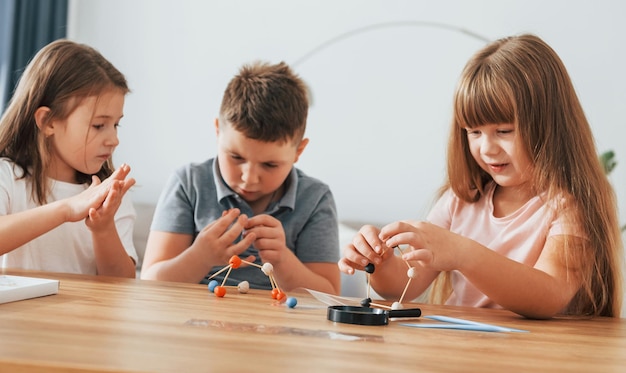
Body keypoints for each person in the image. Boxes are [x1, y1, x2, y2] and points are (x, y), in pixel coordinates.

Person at [338, 34, 624, 318]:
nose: (487, 148)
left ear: (549, 126)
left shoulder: (568, 207)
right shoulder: (459, 201)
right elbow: (404, 286)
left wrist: (463, 253)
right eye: (474, 132)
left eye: (504, 131)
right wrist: (379, 261)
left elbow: (550, 295)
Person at [141, 61, 340, 294]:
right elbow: (150, 282)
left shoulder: (315, 199)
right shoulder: (189, 184)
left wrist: (282, 259)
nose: (249, 178)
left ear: (298, 151)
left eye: (270, 164)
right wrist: (200, 257)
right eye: (236, 157)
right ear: (217, 131)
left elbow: (329, 294)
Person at [0, 39, 137, 277]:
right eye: (98, 125)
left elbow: (122, 285)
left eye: (116, 124)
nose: (113, 139)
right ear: (48, 121)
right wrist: (65, 209)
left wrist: (104, 229)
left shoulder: (109, 194)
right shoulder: (7, 177)